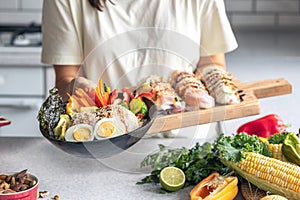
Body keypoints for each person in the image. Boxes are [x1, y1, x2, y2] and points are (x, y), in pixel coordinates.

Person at [41, 0, 238, 102]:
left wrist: (210, 86)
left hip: (187, 141)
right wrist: (81, 90)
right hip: (106, 139)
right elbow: (65, 80)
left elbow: (211, 64)